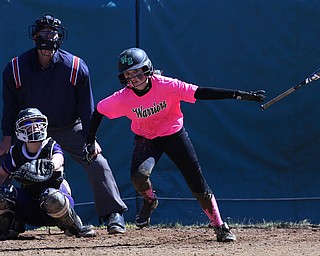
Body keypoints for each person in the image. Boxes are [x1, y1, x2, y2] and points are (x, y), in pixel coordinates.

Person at [83, 47, 266, 242]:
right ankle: (150, 200)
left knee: (198, 185)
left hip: (173, 134)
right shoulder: (123, 97)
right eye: (128, 74)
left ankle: (220, 226)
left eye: (137, 72)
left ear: (147, 69)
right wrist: (90, 141)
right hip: (146, 138)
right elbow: (99, 111)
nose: (133, 78)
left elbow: (199, 92)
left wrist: (238, 94)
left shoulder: (166, 85)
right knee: (138, 177)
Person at [0, 14, 127, 234]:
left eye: (53, 34)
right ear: (34, 37)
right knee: (4, 162)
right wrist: (7, 138)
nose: (48, 43)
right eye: (44, 35)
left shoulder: (76, 67)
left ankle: (114, 214)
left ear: (60, 38)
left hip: (69, 127)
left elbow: (87, 110)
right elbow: (10, 108)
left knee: (97, 160)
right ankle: (9, 220)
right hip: (30, 132)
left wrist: (91, 140)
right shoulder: (16, 68)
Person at [0, 108, 95, 240]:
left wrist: (48, 166)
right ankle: (8, 228)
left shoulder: (50, 145)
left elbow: (59, 159)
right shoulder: (16, 151)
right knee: (3, 193)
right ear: (20, 129)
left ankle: (74, 226)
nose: (35, 126)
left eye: (38, 122)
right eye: (29, 123)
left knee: (52, 197)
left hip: (55, 204)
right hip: (29, 206)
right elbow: (2, 175)